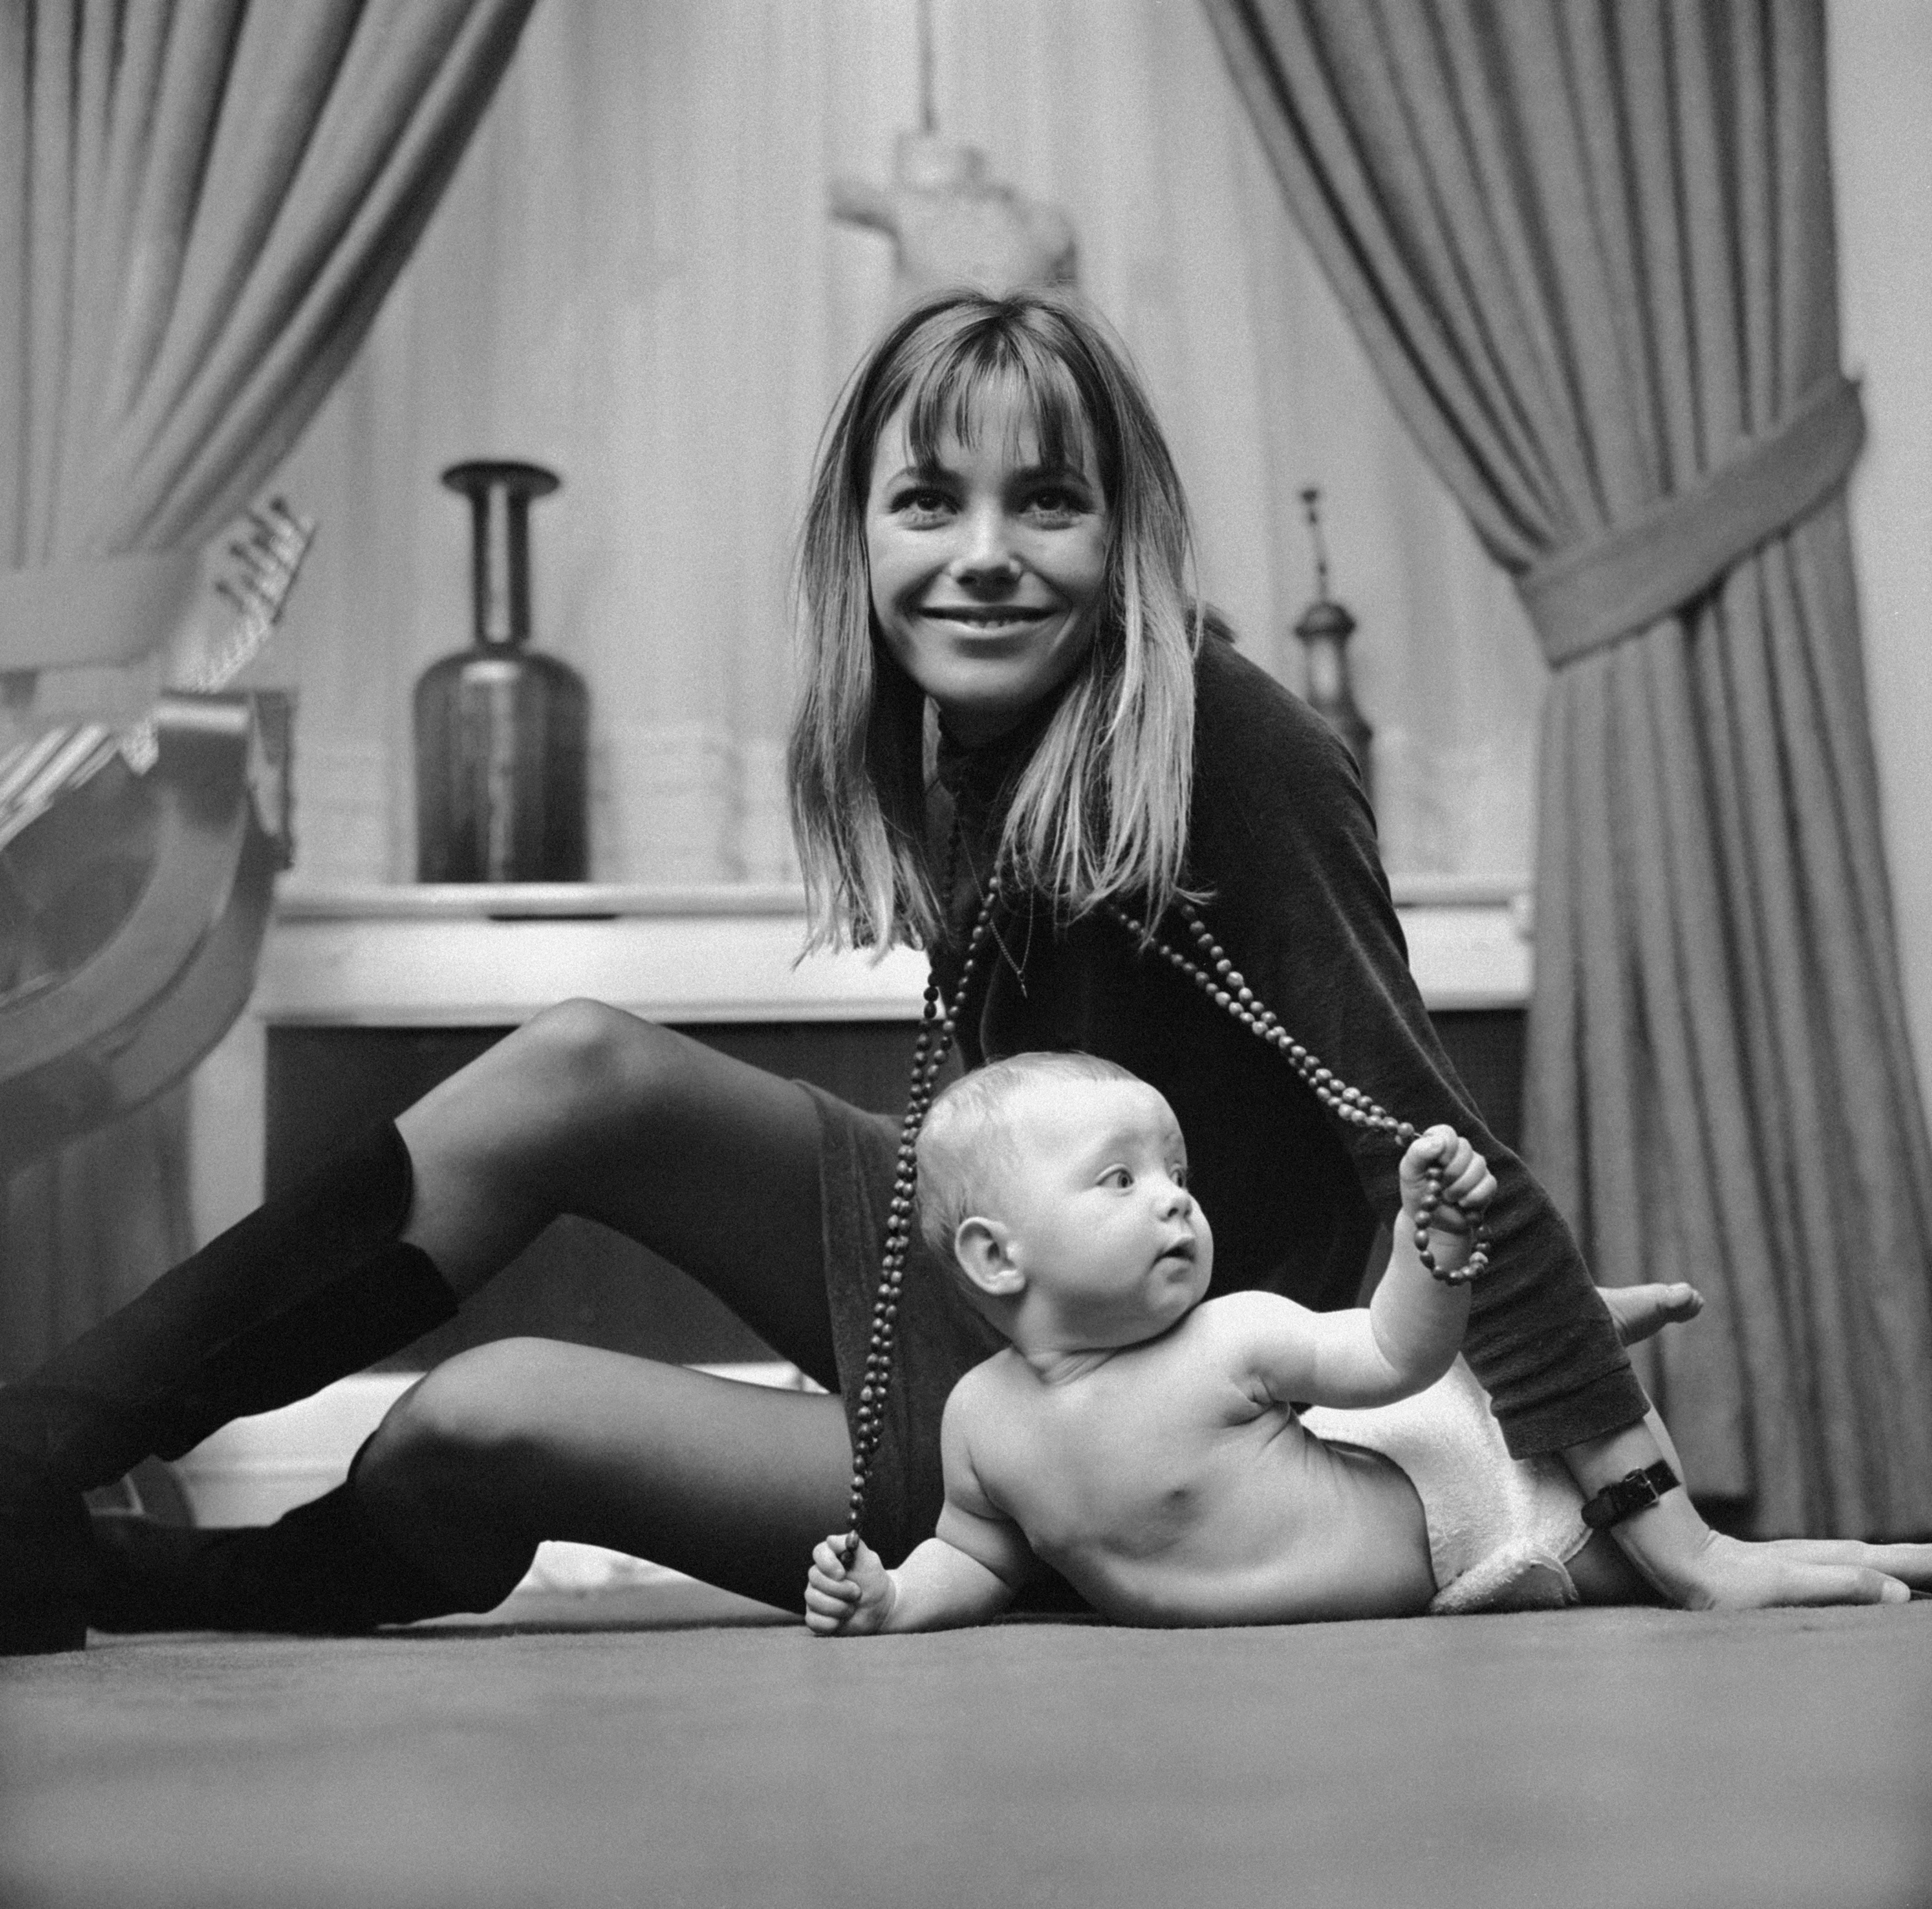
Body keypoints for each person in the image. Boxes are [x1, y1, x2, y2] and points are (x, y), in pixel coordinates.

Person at [0, 288, 1915, 1659]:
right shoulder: (958, 750)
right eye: (930, 507)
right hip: (989, 1286)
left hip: (1123, 1409)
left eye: (1045, 506)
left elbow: (1417, 1129)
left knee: (479, 1417)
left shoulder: (1221, 747)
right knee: (580, 1057)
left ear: (1124, 537)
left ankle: (127, 1577)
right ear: (860, 542)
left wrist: (1650, 1517)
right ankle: (41, 1452)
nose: (983, 560)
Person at [806, 1056, 1932, 1635]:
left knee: (1690, 1564)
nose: (1172, 1204)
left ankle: (1585, 1330)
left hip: (1474, 1515)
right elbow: (983, 1553)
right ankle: (1586, 1320)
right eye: (1120, 1179)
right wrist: (896, 1600)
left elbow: (1395, 1350)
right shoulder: (978, 1416)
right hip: (1417, 1496)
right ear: (996, 1259)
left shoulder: (1230, 1334)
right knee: (1683, 1548)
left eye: (1177, 1177)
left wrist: (1429, 1247)